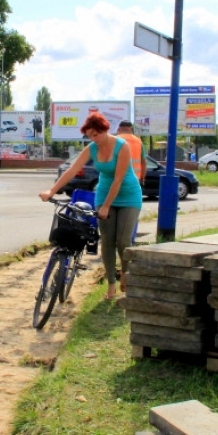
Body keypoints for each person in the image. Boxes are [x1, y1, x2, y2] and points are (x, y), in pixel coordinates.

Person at [39, 112, 143, 300]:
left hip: (128, 194)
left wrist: (106, 207)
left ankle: (126, 274)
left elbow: (118, 180)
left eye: (96, 134)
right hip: (104, 193)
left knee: (123, 241)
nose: (93, 138)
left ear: (105, 130)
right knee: (108, 241)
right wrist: (52, 191)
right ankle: (111, 283)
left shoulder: (122, 146)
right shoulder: (92, 148)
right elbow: (72, 170)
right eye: (89, 136)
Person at [115, 120, 146, 186]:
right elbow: (144, 162)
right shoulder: (139, 141)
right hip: (135, 179)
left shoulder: (115, 140)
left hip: (118, 179)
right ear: (131, 129)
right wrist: (142, 178)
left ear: (119, 129)